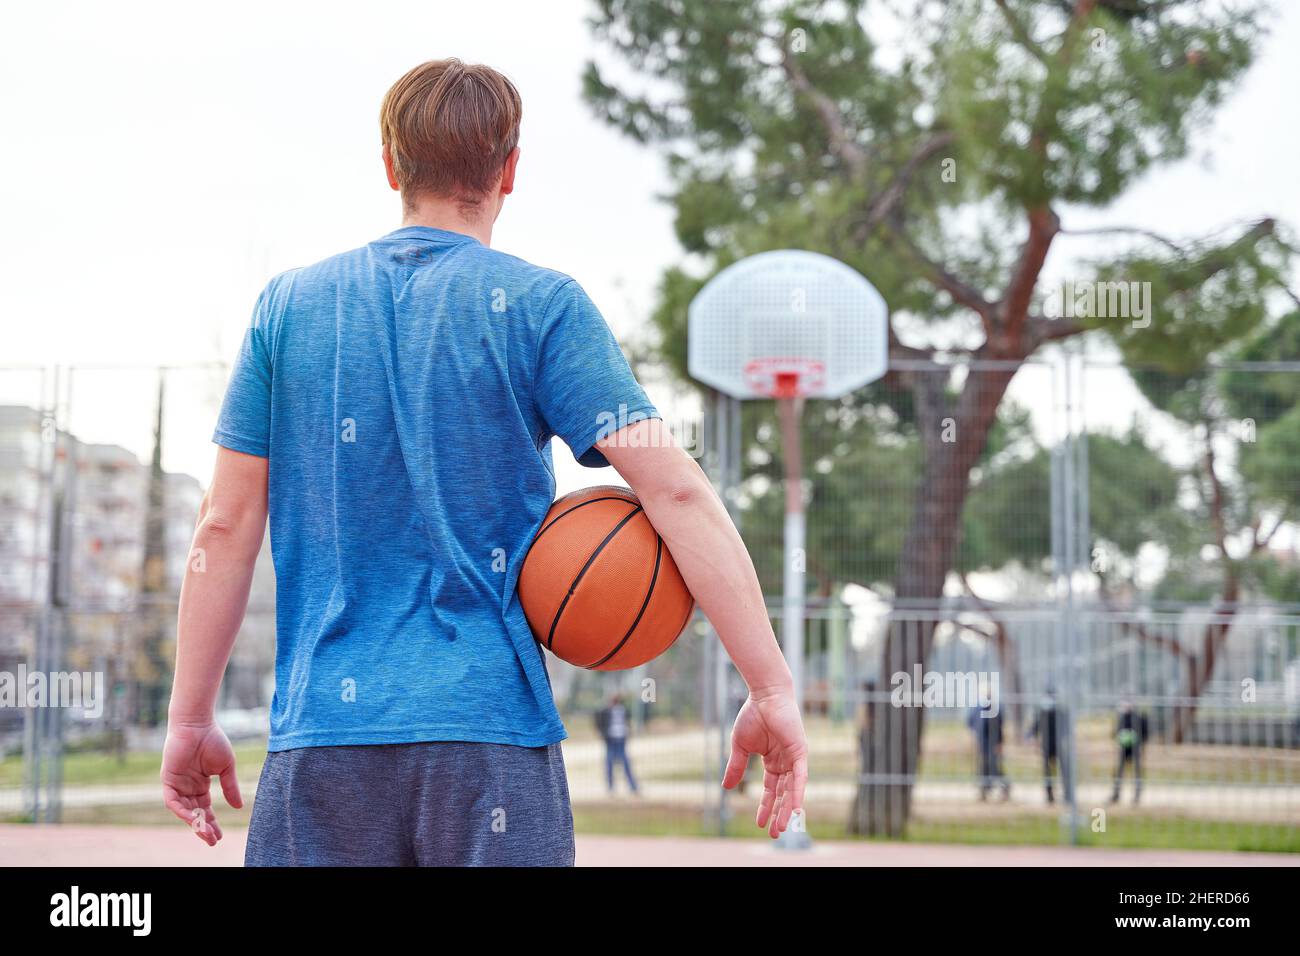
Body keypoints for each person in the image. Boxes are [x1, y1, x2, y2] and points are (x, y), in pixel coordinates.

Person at [159, 58, 808, 866]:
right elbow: (675, 489)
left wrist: (189, 719)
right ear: (510, 170)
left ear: (392, 165)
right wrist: (771, 686)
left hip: (325, 738)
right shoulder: (545, 308)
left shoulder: (286, 309)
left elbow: (223, 525)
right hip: (488, 736)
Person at [1025, 685, 1069, 805]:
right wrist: (1029, 737)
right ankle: (1049, 795)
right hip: (1046, 746)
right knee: (1047, 771)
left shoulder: (1061, 712)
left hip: (1059, 746)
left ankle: (1067, 794)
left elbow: (1067, 729)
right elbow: (1035, 727)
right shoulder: (1042, 713)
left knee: (1064, 770)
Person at [595, 694, 638, 795]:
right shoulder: (606, 710)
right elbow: (598, 720)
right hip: (610, 739)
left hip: (621, 739)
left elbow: (627, 722)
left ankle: (633, 786)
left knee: (625, 762)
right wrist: (602, 733)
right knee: (609, 762)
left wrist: (628, 731)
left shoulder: (623, 710)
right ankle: (611, 787)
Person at [1110, 699, 1149, 805]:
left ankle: (1137, 794)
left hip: (1136, 748)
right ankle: (1116, 794)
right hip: (1124, 748)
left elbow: (1145, 733)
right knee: (1119, 771)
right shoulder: (1121, 717)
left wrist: (1141, 743)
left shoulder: (1139, 717)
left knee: (1137, 772)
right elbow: (1115, 732)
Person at [968, 705, 1010, 802]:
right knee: (983, 767)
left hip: (993, 744)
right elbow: (971, 723)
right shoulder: (977, 709)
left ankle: (1005, 788)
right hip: (982, 743)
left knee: (994, 767)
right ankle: (984, 791)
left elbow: (999, 726)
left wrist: (999, 742)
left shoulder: (995, 710)